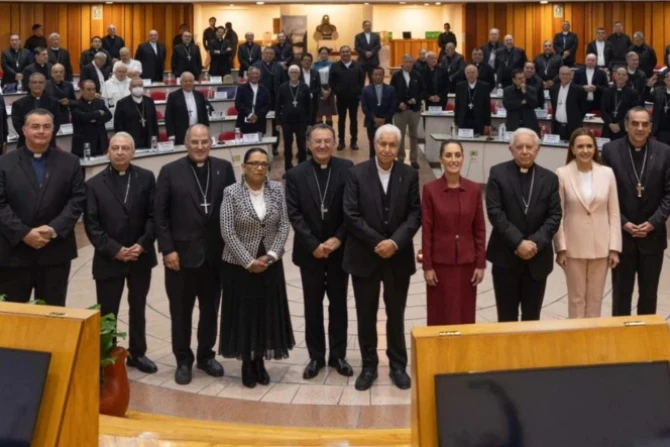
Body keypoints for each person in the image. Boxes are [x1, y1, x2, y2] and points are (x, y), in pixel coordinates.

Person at [155, 124, 236, 385]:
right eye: (195, 142)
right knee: (181, 312)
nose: (200, 147)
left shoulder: (224, 168)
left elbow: (232, 210)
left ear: (210, 143)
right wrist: (167, 249)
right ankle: (183, 359)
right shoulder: (170, 171)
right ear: (186, 144)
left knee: (210, 311)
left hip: (215, 257)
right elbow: (161, 215)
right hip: (180, 257)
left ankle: (205, 355)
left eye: (204, 142)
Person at [343, 124, 421, 391]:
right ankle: (369, 366)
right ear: (374, 145)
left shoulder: (409, 174)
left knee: (396, 313)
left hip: (398, 257)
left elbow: (415, 214)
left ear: (398, 148)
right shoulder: (356, 174)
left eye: (392, 145)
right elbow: (351, 214)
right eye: (382, 144)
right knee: (366, 313)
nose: (387, 149)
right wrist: (378, 242)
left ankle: (398, 365)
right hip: (365, 256)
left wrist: (395, 243)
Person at [219, 148, 294, 388]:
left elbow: (284, 224)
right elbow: (227, 231)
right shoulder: (231, 192)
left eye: (263, 164)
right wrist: (249, 261)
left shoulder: (276, 190)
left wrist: (271, 255)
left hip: (270, 263)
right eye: (253, 163)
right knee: (244, 313)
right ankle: (246, 362)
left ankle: (260, 360)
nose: (259, 168)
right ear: (244, 167)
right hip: (240, 266)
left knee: (266, 313)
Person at [84, 132, 158, 373]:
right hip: (109, 259)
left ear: (133, 152)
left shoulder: (146, 178)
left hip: (140, 256)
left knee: (138, 306)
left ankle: (138, 353)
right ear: (108, 151)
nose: (120, 152)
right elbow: (92, 226)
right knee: (108, 311)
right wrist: (116, 250)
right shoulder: (93, 185)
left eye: (125, 148)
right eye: (115, 147)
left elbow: (153, 216)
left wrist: (143, 244)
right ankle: (108, 356)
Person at [285, 124, 354, 379]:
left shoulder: (347, 169)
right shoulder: (295, 175)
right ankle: (316, 357)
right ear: (308, 144)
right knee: (312, 305)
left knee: (338, 305)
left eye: (327, 141)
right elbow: (294, 214)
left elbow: (352, 208)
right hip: (309, 253)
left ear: (335, 142)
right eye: (318, 141)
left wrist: (337, 239)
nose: (323, 145)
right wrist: (313, 244)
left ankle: (338, 355)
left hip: (339, 251)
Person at [0, 109, 86, 305]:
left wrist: (53, 229)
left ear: (53, 130)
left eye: (46, 127)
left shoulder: (70, 162)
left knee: (53, 315)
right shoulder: (4, 163)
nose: (41, 131)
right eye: (35, 126)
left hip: (55, 251)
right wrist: (24, 233)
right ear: (24, 130)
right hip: (14, 253)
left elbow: (77, 199)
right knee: (13, 317)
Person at [485, 128, 562, 321]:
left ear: (537, 150)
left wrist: (534, 243)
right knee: (506, 317)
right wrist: (518, 242)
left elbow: (555, 215)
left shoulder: (550, 179)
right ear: (511, 149)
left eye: (529, 147)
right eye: (519, 147)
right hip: (505, 257)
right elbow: (495, 212)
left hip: (537, 260)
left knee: (532, 316)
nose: (525, 151)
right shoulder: (498, 173)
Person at [601, 107, 670, 316]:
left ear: (650, 127)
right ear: (626, 126)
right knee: (621, 293)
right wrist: (623, 222)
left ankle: (644, 338)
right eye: (635, 124)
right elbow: (605, 194)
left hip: (653, 236)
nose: (640, 128)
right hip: (622, 236)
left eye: (644, 124)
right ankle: (620, 339)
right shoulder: (611, 151)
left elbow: (669, 194)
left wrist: (653, 223)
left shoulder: (665, 152)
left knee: (649, 294)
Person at [554, 129, 621, 318]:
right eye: (580, 146)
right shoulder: (562, 173)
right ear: (573, 149)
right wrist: (561, 248)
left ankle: (592, 339)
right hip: (573, 246)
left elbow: (614, 212)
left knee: (595, 299)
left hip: (601, 246)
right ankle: (575, 340)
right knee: (576, 299)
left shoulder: (607, 173)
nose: (585, 150)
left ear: (595, 148)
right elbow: (558, 214)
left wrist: (614, 247)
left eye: (589, 146)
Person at [422, 140, 485, 325]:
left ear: (463, 158)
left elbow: (479, 229)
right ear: (441, 159)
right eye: (448, 155)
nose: (453, 159)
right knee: (439, 314)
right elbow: (427, 230)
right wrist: (427, 266)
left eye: (457, 155)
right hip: (440, 264)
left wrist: (480, 263)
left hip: (467, 263)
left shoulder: (473, 189)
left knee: (464, 314)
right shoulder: (430, 190)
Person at [275, 65, 312, 173]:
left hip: (301, 121)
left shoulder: (305, 87)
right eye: (292, 72)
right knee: (287, 146)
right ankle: (288, 169)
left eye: (296, 72)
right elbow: (277, 105)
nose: (294, 74)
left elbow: (309, 106)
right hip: (287, 121)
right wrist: (278, 121)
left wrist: (309, 122)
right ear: (289, 74)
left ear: (299, 74)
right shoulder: (283, 87)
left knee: (302, 145)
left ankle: (303, 168)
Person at [329, 46, 365, 151]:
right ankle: (341, 142)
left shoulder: (358, 65)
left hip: (354, 98)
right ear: (340, 53)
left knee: (354, 120)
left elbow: (361, 80)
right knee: (341, 120)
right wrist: (336, 91)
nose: (345, 53)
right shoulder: (335, 66)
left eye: (347, 51)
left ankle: (354, 141)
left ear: (351, 53)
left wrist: (358, 92)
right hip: (341, 98)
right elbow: (332, 81)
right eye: (343, 52)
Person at [390, 54, 424, 168]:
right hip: (400, 111)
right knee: (400, 134)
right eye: (407, 62)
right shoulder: (396, 76)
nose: (409, 64)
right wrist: (399, 103)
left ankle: (414, 158)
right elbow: (392, 92)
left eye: (411, 62)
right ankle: (400, 158)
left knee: (414, 134)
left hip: (414, 110)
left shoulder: (418, 75)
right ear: (402, 62)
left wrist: (416, 99)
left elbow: (422, 91)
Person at [11, 73, 60, 148]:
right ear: (29, 85)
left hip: (48, 145)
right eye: (34, 82)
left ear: (45, 85)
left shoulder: (54, 102)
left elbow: (56, 123)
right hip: (25, 145)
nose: (37, 84)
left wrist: (44, 136)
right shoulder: (18, 104)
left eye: (40, 82)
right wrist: (33, 137)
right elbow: (18, 126)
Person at [165, 72, 211, 145]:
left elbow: (204, 115)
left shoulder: (199, 95)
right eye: (185, 81)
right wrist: (171, 135)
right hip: (180, 133)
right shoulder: (173, 96)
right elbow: (169, 117)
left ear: (193, 82)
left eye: (190, 81)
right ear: (181, 82)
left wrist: (207, 130)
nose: (188, 83)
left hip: (198, 132)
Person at [70, 80, 113, 158]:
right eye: (89, 89)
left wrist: (95, 120)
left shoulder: (99, 102)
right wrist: (98, 113)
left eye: (94, 89)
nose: (92, 92)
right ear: (81, 90)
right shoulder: (75, 104)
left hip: (99, 143)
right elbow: (82, 117)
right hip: (83, 145)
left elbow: (109, 115)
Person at [114, 78, 159, 149]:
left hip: (148, 141)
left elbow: (154, 123)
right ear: (130, 89)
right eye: (135, 86)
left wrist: (155, 141)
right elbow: (118, 126)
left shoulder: (149, 101)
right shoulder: (122, 103)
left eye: (140, 85)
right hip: (131, 141)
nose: (138, 88)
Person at [361, 67, 397, 159]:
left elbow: (393, 106)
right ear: (372, 76)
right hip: (371, 122)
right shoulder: (366, 90)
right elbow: (364, 107)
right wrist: (374, 119)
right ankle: (372, 165)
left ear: (383, 76)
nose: (378, 77)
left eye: (380, 74)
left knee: (386, 144)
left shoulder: (390, 89)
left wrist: (384, 119)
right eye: (376, 74)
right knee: (373, 145)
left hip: (387, 122)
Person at [550, 66, 587, 141]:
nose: (564, 76)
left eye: (567, 74)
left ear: (571, 76)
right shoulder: (554, 89)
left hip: (573, 127)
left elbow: (583, 108)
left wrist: (576, 121)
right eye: (562, 74)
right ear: (559, 75)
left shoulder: (579, 90)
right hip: (557, 126)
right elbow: (554, 107)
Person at [455, 65, 492, 136]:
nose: (471, 75)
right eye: (468, 73)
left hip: (478, 121)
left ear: (477, 74)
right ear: (465, 75)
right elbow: (457, 105)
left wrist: (487, 124)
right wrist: (456, 122)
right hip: (464, 121)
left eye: (473, 72)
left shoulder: (484, 86)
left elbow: (487, 106)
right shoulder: (460, 86)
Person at [601, 68, 638, 140]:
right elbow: (603, 110)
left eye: (623, 75)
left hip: (624, 128)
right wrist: (610, 123)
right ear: (614, 76)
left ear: (627, 77)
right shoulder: (607, 91)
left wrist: (620, 124)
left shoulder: (633, 93)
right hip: (608, 127)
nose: (621, 77)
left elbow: (632, 112)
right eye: (619, 74)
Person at [234, 66, 270, 135]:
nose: (254, 76)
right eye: (252, 74)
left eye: (257, 74)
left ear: (260, 76)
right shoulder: (241, 88)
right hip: (244, 121)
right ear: (248, 75)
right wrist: (249, 114)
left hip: (259, 122)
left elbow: (267, 105)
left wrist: (257, 115)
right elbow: (238, 104)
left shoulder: (264, 89)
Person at [313, 47, 337, 129]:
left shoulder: (333, 64)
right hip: (319, 89)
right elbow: (313, 79)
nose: (324, 55)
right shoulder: (315, 65)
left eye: (325, 53)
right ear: (319, 54)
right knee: (318, 114)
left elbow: (335, 78)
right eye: (322, 53)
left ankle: (329, 132)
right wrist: (321, 90)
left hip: (330, 89)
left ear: (328, 54)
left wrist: (330, 89)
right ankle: (319, 133)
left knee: (328, 114)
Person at [300, 53, 321, 128]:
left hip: (313, 103)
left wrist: (311, 94)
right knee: (301, 125)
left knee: (312, 125)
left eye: (309, 60)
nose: (307, 62)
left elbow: (319, 88)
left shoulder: (316, 73)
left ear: (311, 62)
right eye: (305, 60)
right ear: (301, 62)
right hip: (299, 103)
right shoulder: (297, 73)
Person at [650, 72, 670, 145]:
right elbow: (646, 100)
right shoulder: (657, 91)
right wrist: (648, 87)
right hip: (660, 130)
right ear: (665, 80)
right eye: (668, 78)